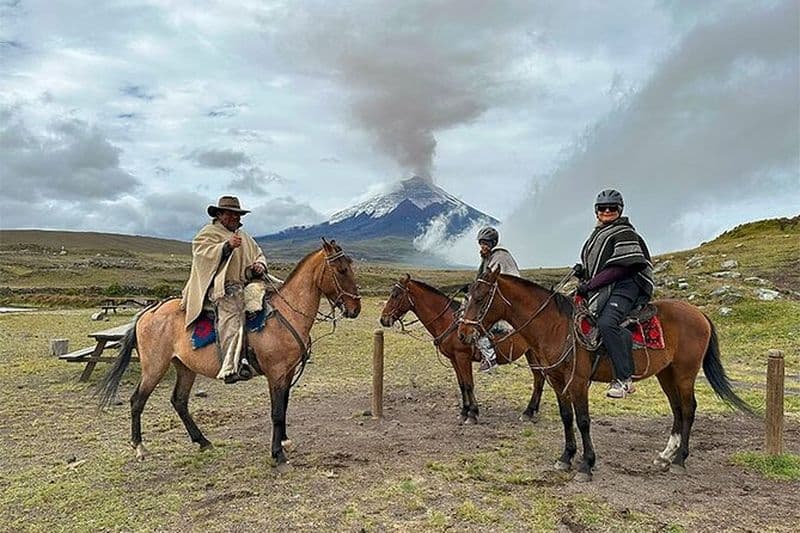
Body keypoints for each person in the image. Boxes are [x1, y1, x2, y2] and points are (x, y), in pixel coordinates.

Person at [573, 189, 654, 398]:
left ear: (620, 210)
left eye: (612, 207)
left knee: (607, 323)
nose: (607, 211)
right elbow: (601, 265)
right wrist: (583, 272)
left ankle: (623, 379)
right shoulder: (596, 235)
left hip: (626, 286)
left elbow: (620, 268)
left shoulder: (625, 232)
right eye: (602, 208)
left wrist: (590, 285)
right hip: (605, 287)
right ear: (596, 211)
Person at [181, 195, 268, 384]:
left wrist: (260, 265)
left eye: (237, 214)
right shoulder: (208, 233)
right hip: (220, 287)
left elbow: (258, 253)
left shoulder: (244, 236)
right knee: (233, 314)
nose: (235, 217)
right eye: (230, 214)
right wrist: (226, 247)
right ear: (219, 215)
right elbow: (201, 255)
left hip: (244, 283)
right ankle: (231, 366)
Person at [474, 226, 521, 373]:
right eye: (481, 243)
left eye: (485, 243)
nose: (483, 246)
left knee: (479, 324)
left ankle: (490, 358)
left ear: (493, 243)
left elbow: (493, 282)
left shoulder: (500, 257)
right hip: (498, 298)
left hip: (507, 301)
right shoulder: (489, 257)